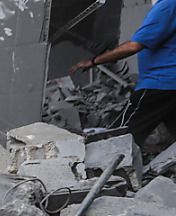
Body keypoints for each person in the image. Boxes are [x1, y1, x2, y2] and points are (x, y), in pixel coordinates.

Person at [71, 0, 176, 149]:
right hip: (170, 86)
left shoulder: (167, 5)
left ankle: (104, 170)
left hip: (159, 85)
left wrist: (94, 61)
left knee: (118, 138)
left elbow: (134, 46)